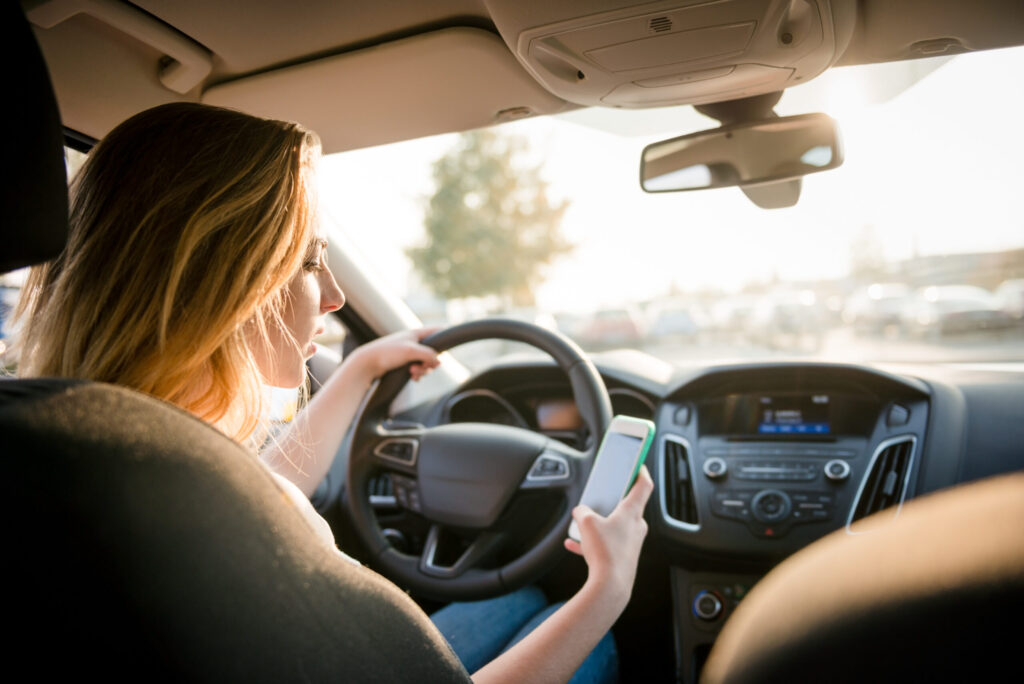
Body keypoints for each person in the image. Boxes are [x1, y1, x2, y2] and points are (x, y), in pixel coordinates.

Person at [13, 102, 653, 683]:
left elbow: (242, 493)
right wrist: (608, 589)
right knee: (585, 641)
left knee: (519, 602)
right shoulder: (227, 524)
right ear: (227, 281)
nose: (337, 298)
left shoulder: (87, 451)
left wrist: (355, 375)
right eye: (311, 260)